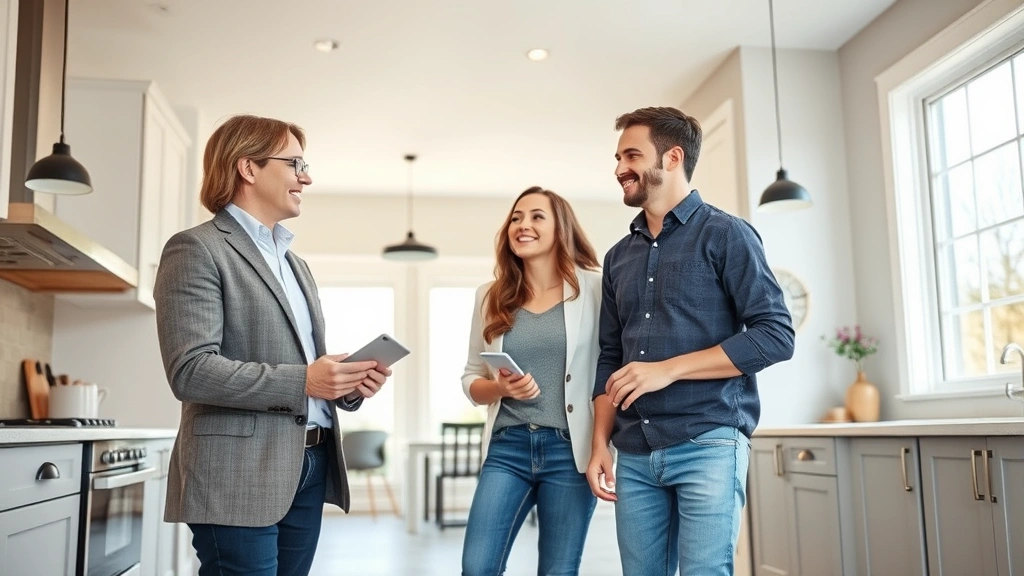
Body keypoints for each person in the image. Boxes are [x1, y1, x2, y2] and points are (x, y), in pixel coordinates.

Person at [154, 114, 390, 576]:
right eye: (295, 162)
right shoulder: (196, 248)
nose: (307, 176)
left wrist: (347, 384)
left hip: (310, 462)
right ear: (248, 168)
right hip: (237, 470)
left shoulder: (296, 264)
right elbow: (191, 370)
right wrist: (306, 379)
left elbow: (304, 369)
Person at [585, 107, 795, 576]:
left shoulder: (727, 235)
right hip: (634, 450)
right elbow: (610, 358)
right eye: (618, 157)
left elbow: (776, 335)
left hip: (709, 441)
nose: (620, 168)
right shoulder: (619, 257)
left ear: (673, 156)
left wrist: (668, 368)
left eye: (632, 155)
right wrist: (600, 444)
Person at [460, 187, 603, 576]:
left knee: (558, 571)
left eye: (537, 216)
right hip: (508, 449)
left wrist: (602, 445)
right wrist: (500, 389)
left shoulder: (597, 288)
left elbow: (608, 370)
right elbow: (472, 377)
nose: (522, 224)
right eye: (517, 217)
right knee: (477, 567)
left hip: (569, 452)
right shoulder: (490, 297)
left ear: (562, 227)